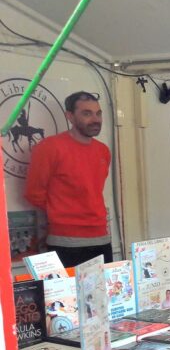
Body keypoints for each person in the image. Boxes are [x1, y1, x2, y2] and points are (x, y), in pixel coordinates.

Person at [25, 91, 112, 268]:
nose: (95, 119)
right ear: (70, 116)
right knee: (68, 296)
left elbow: (94, 190)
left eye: (98, 113)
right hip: (65, 241)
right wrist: (63, 213)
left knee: (105, 295)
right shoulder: (49, 148)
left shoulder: (103, 151)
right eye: (87, 113)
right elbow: (34, 193)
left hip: (101, 236)